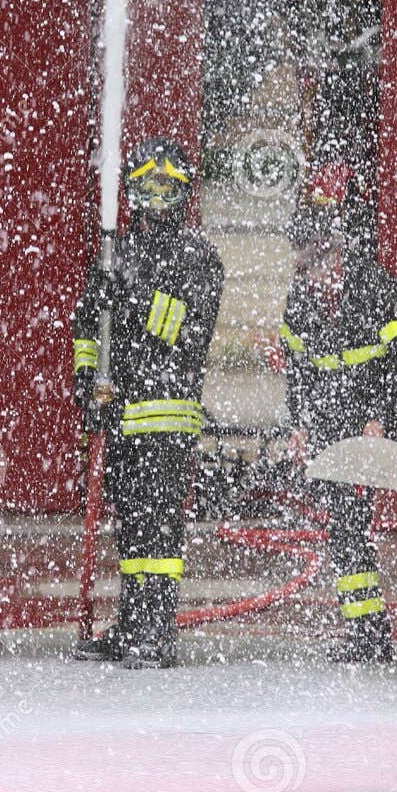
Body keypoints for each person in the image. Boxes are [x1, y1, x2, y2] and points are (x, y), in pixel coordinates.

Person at [281, 166, 397, 665]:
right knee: (346, 521)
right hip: (349, 412)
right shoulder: (299, 304)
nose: (314, 276)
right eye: (304, 265)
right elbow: (300, 371)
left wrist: (381, 416)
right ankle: (368, 635)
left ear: (338, 252)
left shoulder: (377, 287)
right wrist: (301, 423)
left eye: (321, 262)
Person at [69, 138, 225, 669]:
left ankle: (157, 633)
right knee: (133, 530)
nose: (157, 201)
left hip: (167, 413)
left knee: (159, 529)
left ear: (183, 195)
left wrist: (131, 298)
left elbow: (189, 331)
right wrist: (86, 384)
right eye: (148, 189)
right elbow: (87, 327)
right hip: (122, 416)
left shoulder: (198, 256)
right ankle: (133, 625)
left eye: (167, 190)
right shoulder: (115, 254)